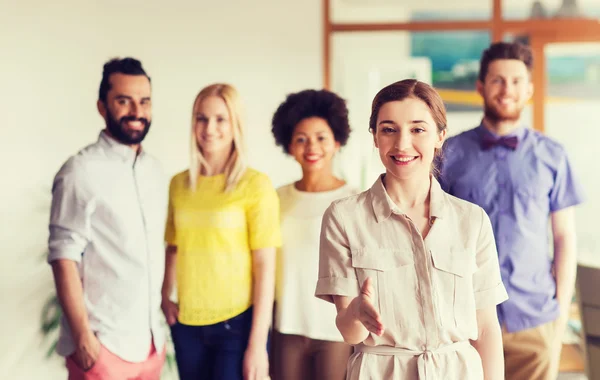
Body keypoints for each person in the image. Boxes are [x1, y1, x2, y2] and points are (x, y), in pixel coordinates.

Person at [315, 79, 508, 379]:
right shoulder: (344, 217)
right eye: (388, 129)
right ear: (375, 137)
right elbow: (349, 331)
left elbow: (485, 327)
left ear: (440, 136)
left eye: (418, 129)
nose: (402, 144)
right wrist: (356, 312)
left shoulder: (472, 220)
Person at [440, 42, 584, 380]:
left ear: (529, 89)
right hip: (465, 318)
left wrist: (560, 315)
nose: (507, 90)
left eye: (517, 81)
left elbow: (564, 237)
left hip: (534, 320)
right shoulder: (448, 154)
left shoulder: (553, 156)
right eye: (498, 80)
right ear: (480, 86)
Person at [48, 57, 167, 380]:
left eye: (144, 101)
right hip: (104, 347)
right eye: (123, 101)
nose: (136, 111)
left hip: (150, 346)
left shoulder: (156, 172)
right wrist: (84, 338)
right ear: (102, 107)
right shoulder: (79, 171)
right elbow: (63, 257)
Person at [160, 83, 281, 380]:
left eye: (220, 119)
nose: (209, 128)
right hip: (186, 324)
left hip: (237, 325)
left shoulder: (255, 184)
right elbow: (173, 246)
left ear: (235, 124)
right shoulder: (179, 184)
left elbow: (265, 266)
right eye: (201, 118)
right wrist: (164, 295)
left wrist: (257, 346)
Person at [270, 89, 357, 380]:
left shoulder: (355, 199)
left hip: (335, 329)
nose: (312, 147)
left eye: (321, 137)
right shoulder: (275, 198)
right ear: (289, 145)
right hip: (286, 326)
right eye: (301, 138)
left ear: (336, 141)